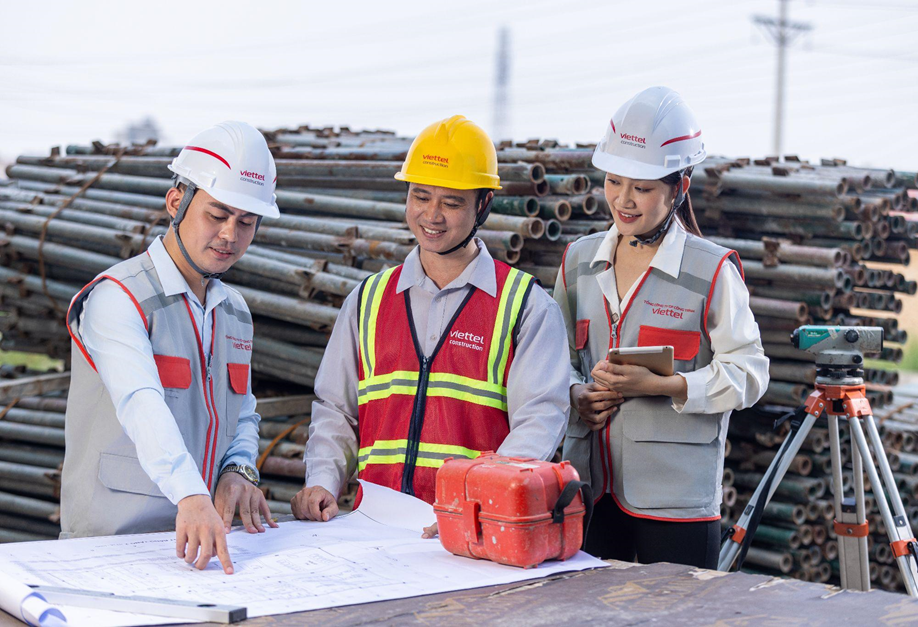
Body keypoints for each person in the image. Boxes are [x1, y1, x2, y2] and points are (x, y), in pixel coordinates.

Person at [292, 115, 570, 535]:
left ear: (484, 206)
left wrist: (475, 504)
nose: (432, 216)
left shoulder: (525, 307)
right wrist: (321, 482)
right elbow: (336, 410)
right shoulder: (368, 301)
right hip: (372, 529)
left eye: (452, 203)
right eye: (420, 196)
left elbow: (538, 422)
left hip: (472, 534)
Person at [555, 87, 770, 569]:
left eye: (643, 187)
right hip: (588, 492)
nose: (623, 200)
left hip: (676, 506)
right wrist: (574, 393)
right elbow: (556, 361)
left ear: (679, 188)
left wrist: (668, 385)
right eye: (614, 182)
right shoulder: (578, 262)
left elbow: (751, 373)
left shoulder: (712, 272)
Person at [61, 121, 280, 574]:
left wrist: (239, 468)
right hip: (109, 545)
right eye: (217, 214)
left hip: (198, 546)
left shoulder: (234, 312)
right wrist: (192, 493)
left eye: (246, 222)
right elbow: (141, 402)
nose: (229, 235)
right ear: (176, 202)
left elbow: (242, 411)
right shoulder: (119, 298)